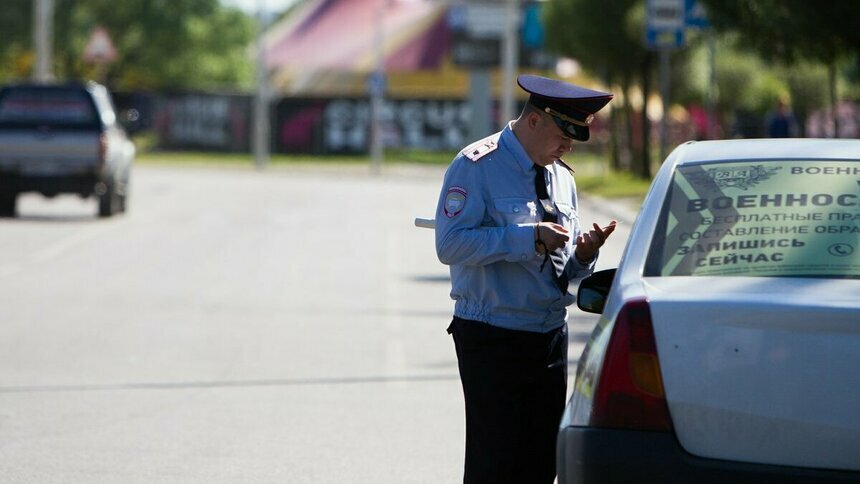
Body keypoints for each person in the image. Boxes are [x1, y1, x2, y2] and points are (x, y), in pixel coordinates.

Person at [434, 74, 617, 484]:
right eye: (563, 134)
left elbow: (560, 271)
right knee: (494, 464)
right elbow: (450, 246)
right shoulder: (476, 166)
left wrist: (584, 256)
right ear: (533, 121)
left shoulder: (562, 179)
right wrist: (529, 237)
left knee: (541, 464)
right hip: (492, 335)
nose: (568, 146)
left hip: (549, 336)